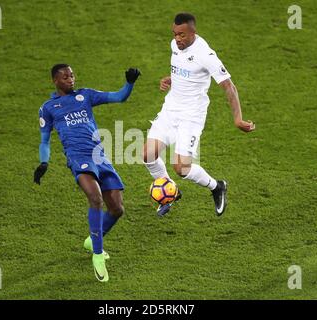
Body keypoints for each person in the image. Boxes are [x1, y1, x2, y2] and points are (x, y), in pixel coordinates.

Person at [34, 64, 141, 282]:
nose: (70, 79)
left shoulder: (86, 95)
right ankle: (98, 255)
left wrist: (129, 83)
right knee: (95, 198)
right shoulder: (48, 108)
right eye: (65, 77)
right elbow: (44, 140)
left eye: (72, 75)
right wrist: (44, 163)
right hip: (78, 157)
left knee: (117, 209)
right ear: (55, 80)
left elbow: (119, 97)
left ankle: (92, 241)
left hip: (99, 156)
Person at [143, 13, 255, 217]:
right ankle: (170, 193)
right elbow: (184, 71)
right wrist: (171, 78)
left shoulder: (206, 55)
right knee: (148, 155)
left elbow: (229, 87)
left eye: (182, 35)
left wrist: (238, 119)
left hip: (191, 116)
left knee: (181, 168)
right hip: (170, 109)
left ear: (193, 32)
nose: (177, 39)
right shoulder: (175, 46)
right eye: (175, 34)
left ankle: (216, 186)